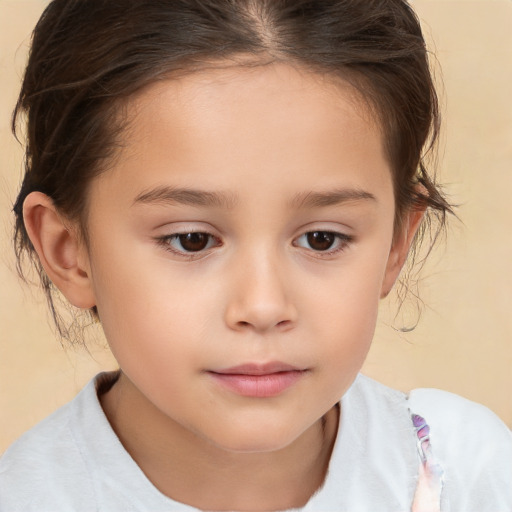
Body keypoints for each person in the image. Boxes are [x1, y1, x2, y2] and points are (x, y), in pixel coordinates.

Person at [0, 0, 510, 510]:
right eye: (191, 239)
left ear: (396, 242)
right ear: (68, 250)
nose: (264, 307)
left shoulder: (465, 475)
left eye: (322, 239)